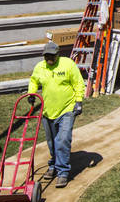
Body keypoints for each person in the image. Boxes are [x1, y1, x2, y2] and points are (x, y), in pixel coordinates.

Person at [27, 41, 85, 188]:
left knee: (63, 140)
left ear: (58, 54)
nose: (49, 59)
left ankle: (63, 172)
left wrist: (78, 101)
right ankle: (53, 164)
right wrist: (31, 93)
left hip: (67, 109)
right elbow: (33, 81)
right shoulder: (40, 67)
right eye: (46, 56)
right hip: (48, 111)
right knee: (52, 142)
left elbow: (78, 83)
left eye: (51, 56)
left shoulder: (68, 64)